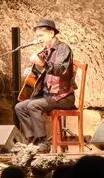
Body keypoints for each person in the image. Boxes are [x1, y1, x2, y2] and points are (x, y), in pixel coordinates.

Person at [13, 18, 76, 152]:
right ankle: (32, 141)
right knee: (19, 107)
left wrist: (41, 63)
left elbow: (59, 70)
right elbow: (42, 76)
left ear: (51, 33)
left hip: (63, 97)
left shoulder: (63, 48)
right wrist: (31, 72)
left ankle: (43, 142)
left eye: (41, 35)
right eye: (37, 36)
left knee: (33, 105)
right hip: (48, 96)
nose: (39, 39)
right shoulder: (45, 51)